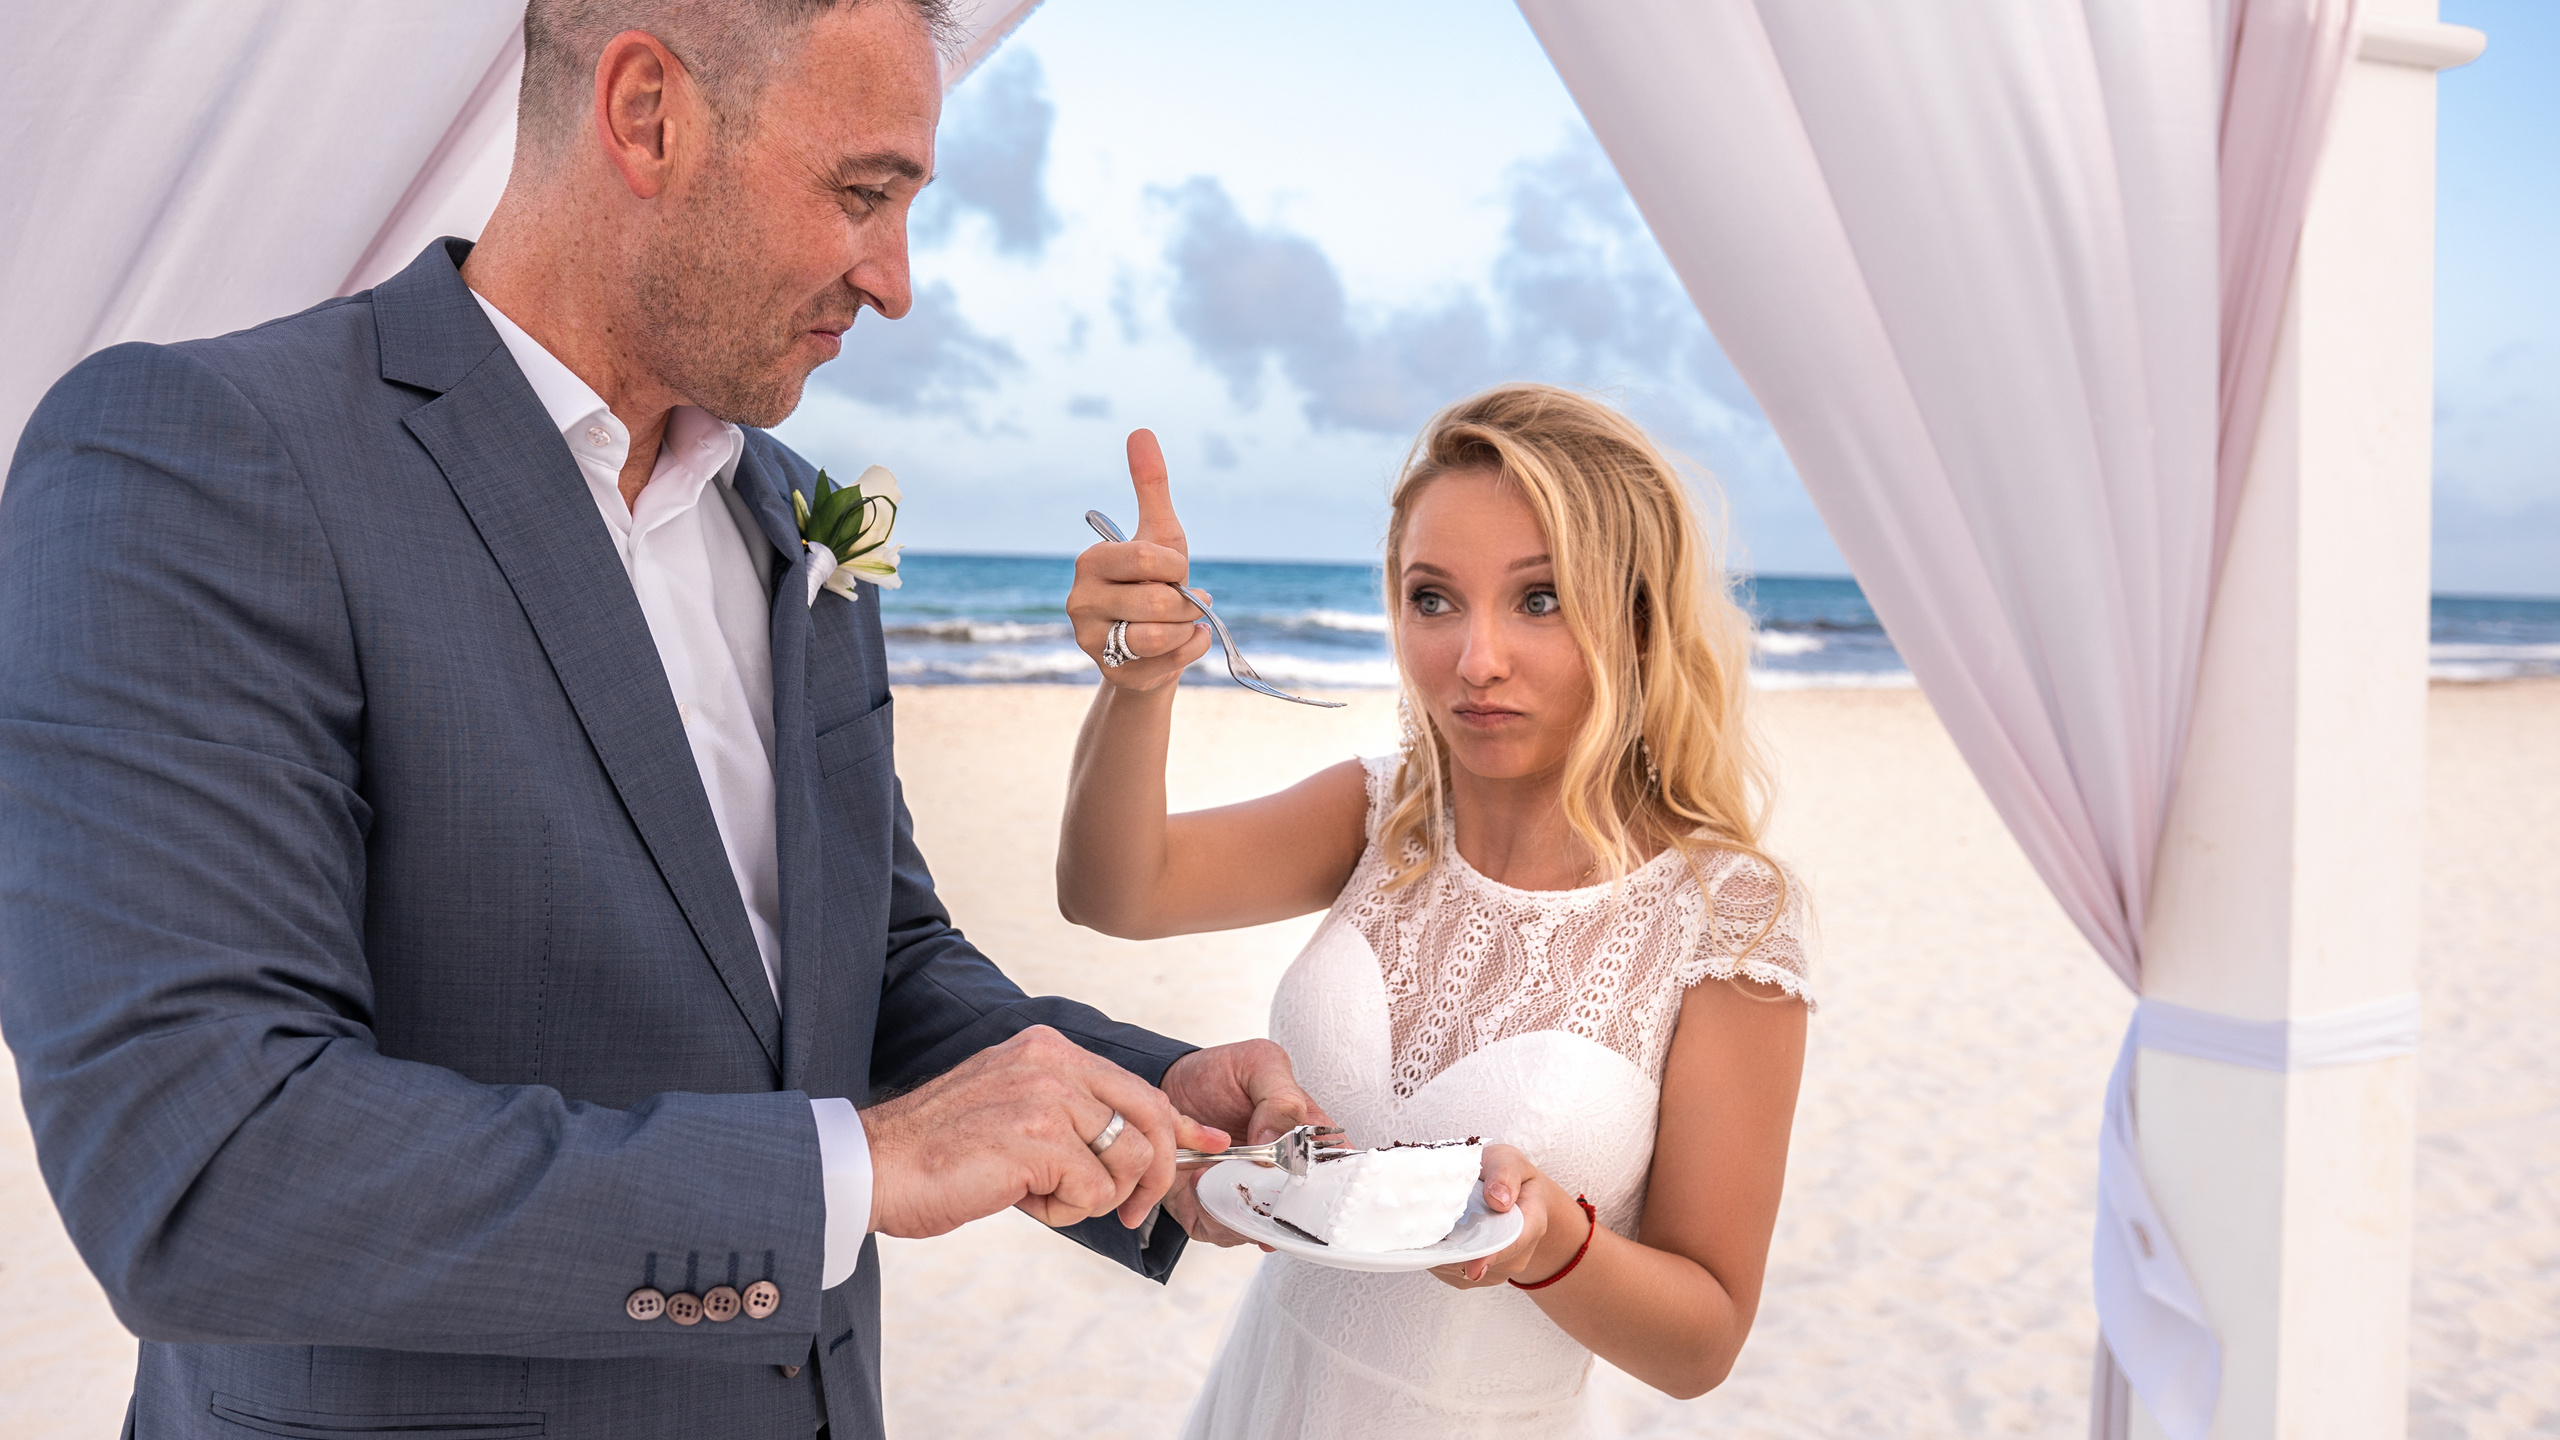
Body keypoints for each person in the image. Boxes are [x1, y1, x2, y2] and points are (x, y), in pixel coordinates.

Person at [0, 2, 1324, 1436]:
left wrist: (1153, 1107)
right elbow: (209, 1169)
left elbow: (859, 967)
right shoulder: (197, 455)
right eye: (861, 193)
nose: (895, 283)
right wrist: (857, 1173)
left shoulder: (797, 519)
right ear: (645, 114)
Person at [1061, 385, 1815, 1437]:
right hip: (1261, 1402)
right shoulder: (1380, 815)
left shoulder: (1726, 921)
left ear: (1640, 618)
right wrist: (1137, 688)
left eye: (1539, 598)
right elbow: (1113, 891)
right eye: (1433, 598)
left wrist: (1552, 1242)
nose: (1475, 661)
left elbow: (1704, 1343)